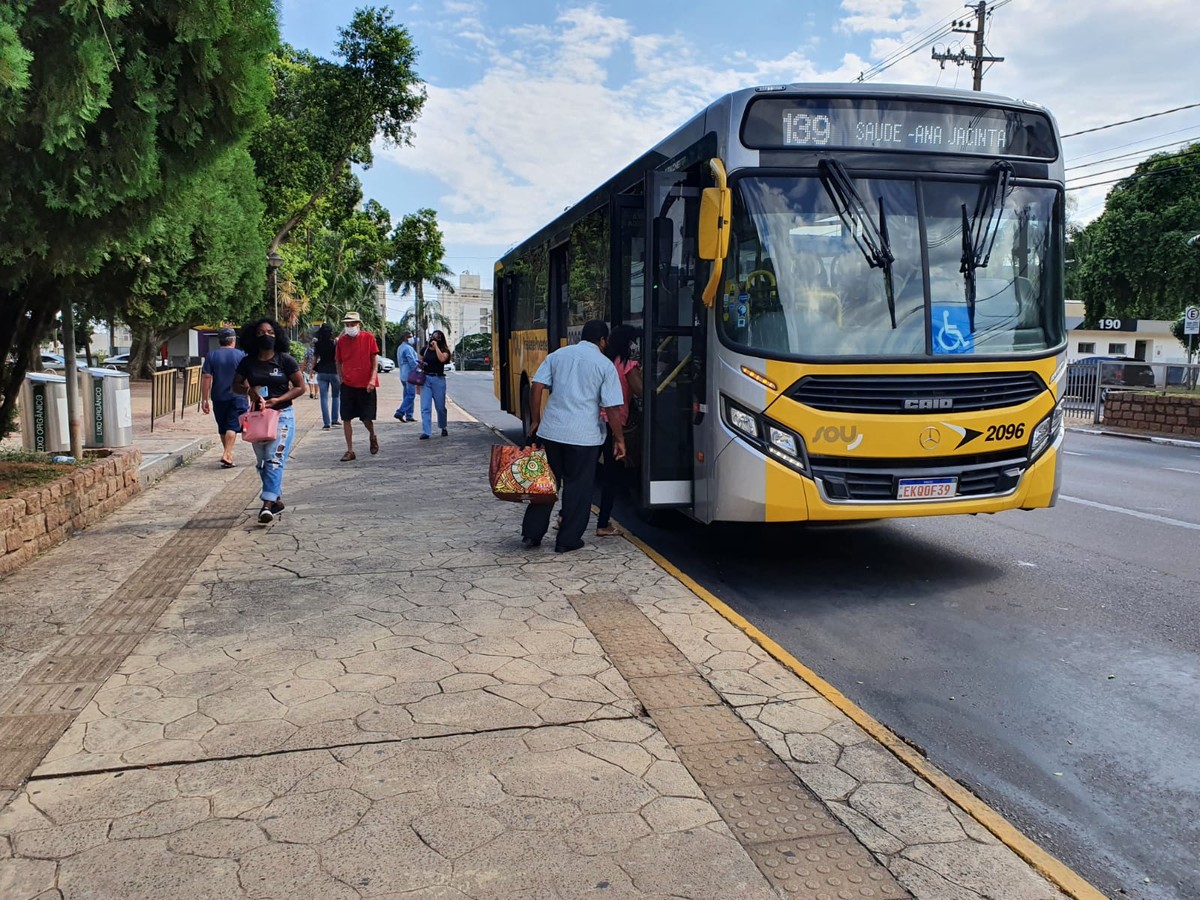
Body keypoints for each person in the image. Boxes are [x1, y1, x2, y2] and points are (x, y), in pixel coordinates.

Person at [523, 320, 626, 553]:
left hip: (552, 432)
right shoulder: (604, 365)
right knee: (578, 488)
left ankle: (531, 534)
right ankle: (567, 540)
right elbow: (612, 408)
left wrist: (536, 419)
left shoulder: (558, 355)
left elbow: (537, 385)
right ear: (602, 341)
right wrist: (619, 439)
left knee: (546, 484)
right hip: (584, 437)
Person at [232, 318, 304, 524]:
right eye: (261, 332)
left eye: (271, 332)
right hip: (258, 417)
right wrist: (249, 392)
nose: (267, 336)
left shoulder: (285, 360)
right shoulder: (248, 362)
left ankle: (267, 503)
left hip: (283, 416)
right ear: (254, 337)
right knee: (263, 462)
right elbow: (235, 385)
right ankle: (277, 499)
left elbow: (300, 387)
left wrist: (279, 400)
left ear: (277, 335)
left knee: (274, 459)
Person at [595, 324, 643, 537]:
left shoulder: (604, 363)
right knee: (611, 476)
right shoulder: (627, 365)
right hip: (614, 423)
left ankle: (563, 515)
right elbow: (640, 391)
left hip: (595, 421)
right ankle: (603, 524)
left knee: (585, 472)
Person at [335, 311, 380, 461]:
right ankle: (350, 450)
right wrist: (341, 377)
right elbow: (338, 360)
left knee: (366, 418)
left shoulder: (368, 338)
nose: (350, 327)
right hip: (348, 384)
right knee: (346, 418)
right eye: (347, 324)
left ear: (359, 324)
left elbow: (374, 360)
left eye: (352, 324)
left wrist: (372, 379)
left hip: (365, 384)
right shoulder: (341, 341)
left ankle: (372, 435)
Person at [200, 327, 248, 468]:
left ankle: (228, 454)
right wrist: (250, 395)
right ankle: (227, 454)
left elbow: (207, 377)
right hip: (238, 395)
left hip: (218, 396)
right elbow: (246, 377)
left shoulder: (212, 355)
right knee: (232, 425)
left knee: (223, 426)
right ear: (233, 340)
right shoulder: (241, 355)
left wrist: (204, 399)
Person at [418, 330, 451, 440]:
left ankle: (443, 427)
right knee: (425, 406)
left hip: (439, 379)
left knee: (440, 406)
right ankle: (426, 431)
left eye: (437, 337)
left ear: (441, 339)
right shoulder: (425, 349)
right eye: (433, 336)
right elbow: (419, 362)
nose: (434, 339)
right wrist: (422, 364)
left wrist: (436, 347)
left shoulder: (444, 350)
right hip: (426, 378)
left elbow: (442, 359)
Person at [312, 323, 340, 429]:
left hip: (322, 372)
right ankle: (334, 420)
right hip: (334, 372)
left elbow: (315, 358)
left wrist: (312, 370)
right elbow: (338, 358)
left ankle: (326, 423)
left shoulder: (318, 344)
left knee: (323, 398)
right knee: (336, 396)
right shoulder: (334, 343)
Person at [393, 330, 419, 423]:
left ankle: (409, 415)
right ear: (405, 337)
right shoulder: (408, 348)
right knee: (411, 395)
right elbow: (412, 362)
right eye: (410, 336)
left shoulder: (400, 347)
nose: (412, 338)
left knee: (406, 395)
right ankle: (400, 412)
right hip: (410, 375)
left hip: (403, 375)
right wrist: (419, 368)